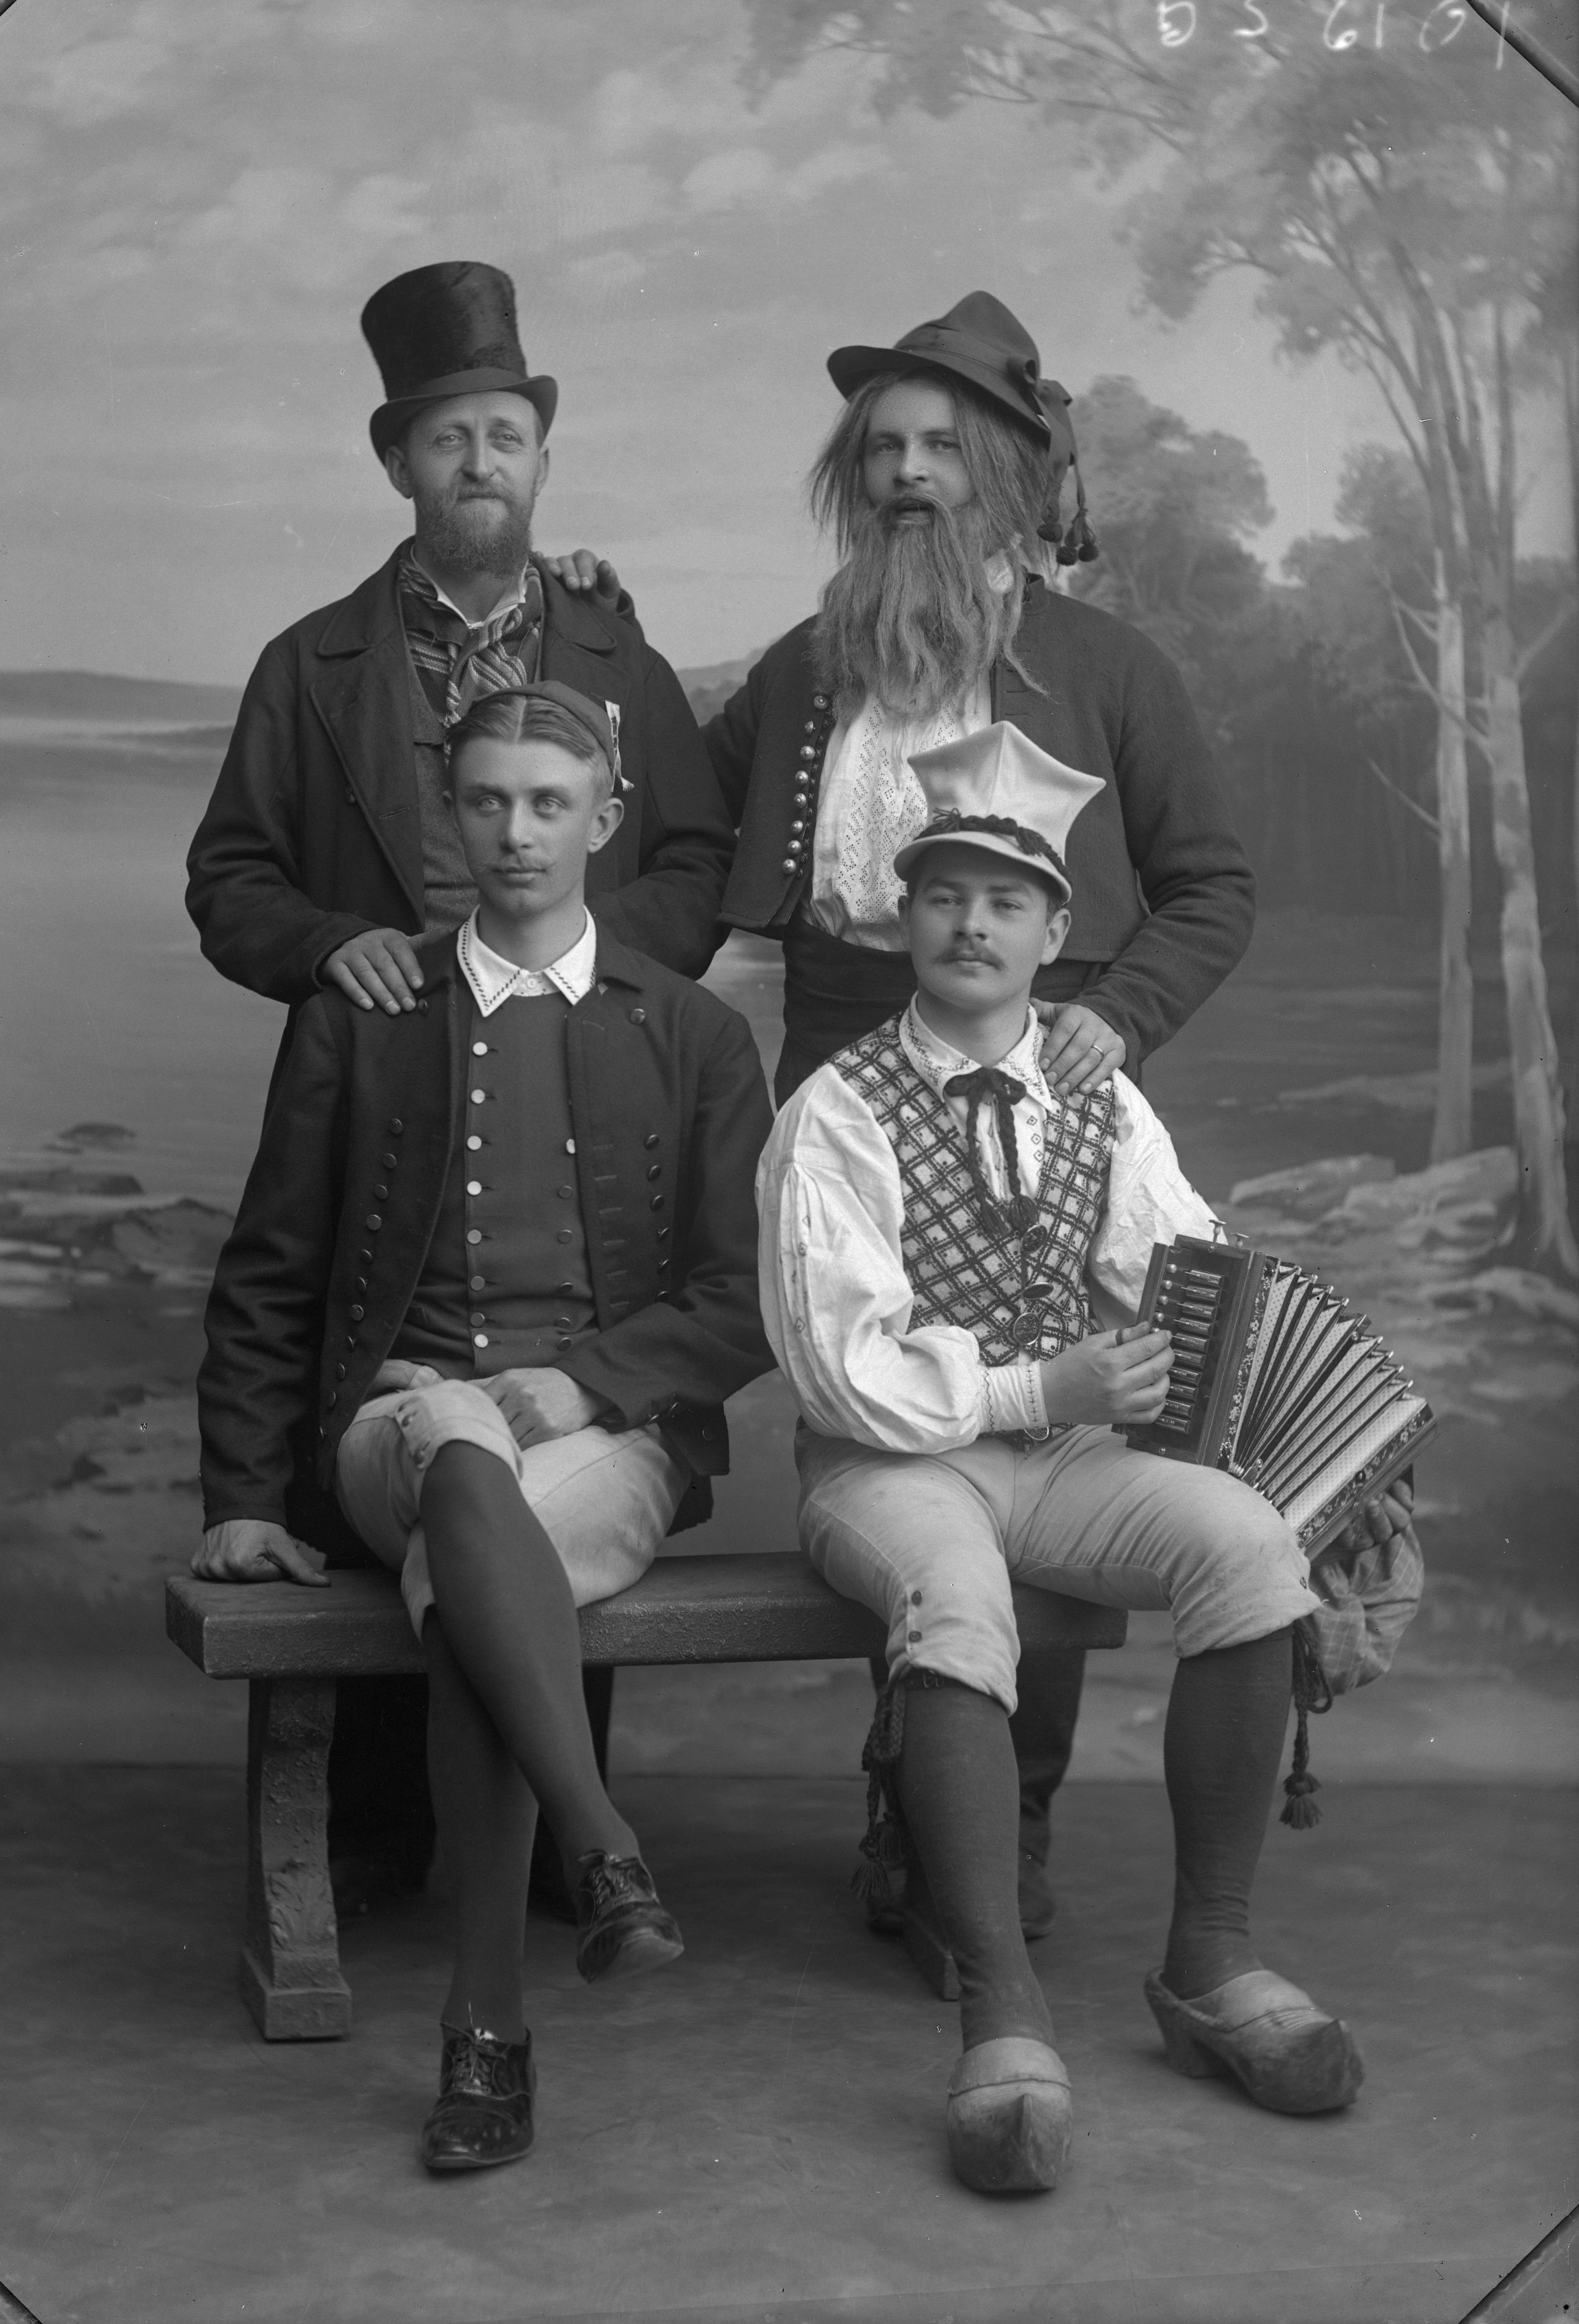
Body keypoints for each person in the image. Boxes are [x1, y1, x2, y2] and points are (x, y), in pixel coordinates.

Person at [550, 292, 1257, 1937]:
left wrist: (1116, 1016)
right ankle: (916, 1806)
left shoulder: (1105, 667)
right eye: (880, 452)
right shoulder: (808, 668)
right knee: (892, 1441)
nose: (907, 476)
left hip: (1042, 1087)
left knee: (1046, 1442)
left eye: (941, 448)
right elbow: (666, 811)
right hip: (843, 1079)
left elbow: (1209, 887)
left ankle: (999, 1831)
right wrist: (598, 638)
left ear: (1007, 476)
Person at [754, 720, 1412, 2194]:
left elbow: (1187, 1270)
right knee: (955, 1596)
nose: (970, 924)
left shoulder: (1098, 1097)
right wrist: (1032, 1379)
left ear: (1054, 933)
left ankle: (1209, 1959)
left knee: (1245, 1545)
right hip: (885, 1466)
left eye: (1006, 901)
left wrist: (1314, 1444)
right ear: (902, 916)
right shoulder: (834, 1109)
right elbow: (840, 1368)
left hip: (1058, 1454)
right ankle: (1000, 2014)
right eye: (943, 895)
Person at [186, 261, 738, 1911]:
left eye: (504, 433)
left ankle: (564, 1854)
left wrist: (587, 976)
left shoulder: (616, 651)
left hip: (577, 1073)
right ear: (398, 464)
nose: (478, 461)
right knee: (392, 1372)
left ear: (541, 459)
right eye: (445, 438)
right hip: (380, 1073)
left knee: (552, 1380)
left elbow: (696, 862)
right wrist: (338, 948)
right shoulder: (311, 664)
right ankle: (380, 1838)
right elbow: (229, 882)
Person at [192, 681, 775, 2172]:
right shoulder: (362, 1016)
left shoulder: (693, 1031)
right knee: (453, 1438)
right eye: (486, 801)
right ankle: (599, 1842)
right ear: (448, 815)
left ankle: (487, 2034)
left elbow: (748, 1297)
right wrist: (244, 1496)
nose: (515, 833)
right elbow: (271, 1271)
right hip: (393, 1432)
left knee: (476, 1565)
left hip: (609, 1445)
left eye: (547, 803)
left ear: (605, 817)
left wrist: (588, 1382)